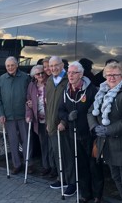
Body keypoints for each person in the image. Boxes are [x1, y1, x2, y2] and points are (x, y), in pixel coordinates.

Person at [88, 62, 122, 203]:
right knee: (116, 177)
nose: (111, 77)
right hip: (107, 144)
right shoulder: (102, 91)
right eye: (109, 74)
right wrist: (94, 127)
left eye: (115, 75)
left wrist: (108, 130)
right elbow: (90, 112)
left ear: (121, 75)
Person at [58, 61, 104, 202]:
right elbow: (61, 110)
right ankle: (85, 194)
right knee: (81, 166)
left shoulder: (91, 90)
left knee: (94, 166)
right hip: (73, 135)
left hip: (89, 135)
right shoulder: (66, 91)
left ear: (81, 74)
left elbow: (98, 112)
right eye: (69, 73)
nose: (70, 76)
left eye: (74, 73)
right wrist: (67, 117)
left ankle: (97, 195)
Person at [0, 56, 31, 174]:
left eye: (12, 65)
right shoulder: (1, 79)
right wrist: (0, 114)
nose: (10, 67)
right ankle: (16, 164)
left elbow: (30, 95)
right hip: (8, 117)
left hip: (23, 115)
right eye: (8, 66)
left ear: (17, 65)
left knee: (26, 141)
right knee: (13, 141)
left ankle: (27, 164)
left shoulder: (25, 77)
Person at [46, 56, 72, 194]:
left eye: (56, 65)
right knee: (57, 154)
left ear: (62, 65)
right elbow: (48, 103)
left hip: (63, 125)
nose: (53, 68)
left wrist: (64, 121)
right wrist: (47, 122)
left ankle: (71, 182)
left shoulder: (68, 80)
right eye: (51, 66)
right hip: (51, 125)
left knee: (67, 155)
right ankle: (62, 178)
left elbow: (71, 105)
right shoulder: (49, 81)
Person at [26, 65, 52, 176]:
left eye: (42, 73)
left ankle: (54, 167)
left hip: (50, 120)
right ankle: (46, 166)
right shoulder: (32, 86)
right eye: (38, 74)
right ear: (34, 76)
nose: (41, 75)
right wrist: (28, 114)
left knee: (52, 146)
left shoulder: (49, 84)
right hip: (39, 121)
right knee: (44, 145)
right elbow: (28, 101)